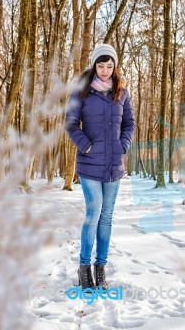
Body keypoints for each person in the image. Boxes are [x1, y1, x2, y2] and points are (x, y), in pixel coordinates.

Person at [65, 43, 135, 292]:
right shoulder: (81, 91)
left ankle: (100, 268)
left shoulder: (122, 92)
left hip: (114, 164)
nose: (105, 70)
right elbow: (71, 124)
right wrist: (86, 147)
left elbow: (129, 123)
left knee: (106, 217)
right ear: (94, 65)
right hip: (89, 163)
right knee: (93, 214)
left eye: (109, 65)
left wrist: (123, 145)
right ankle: (84, 269)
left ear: (115, 67)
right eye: (101, 65)